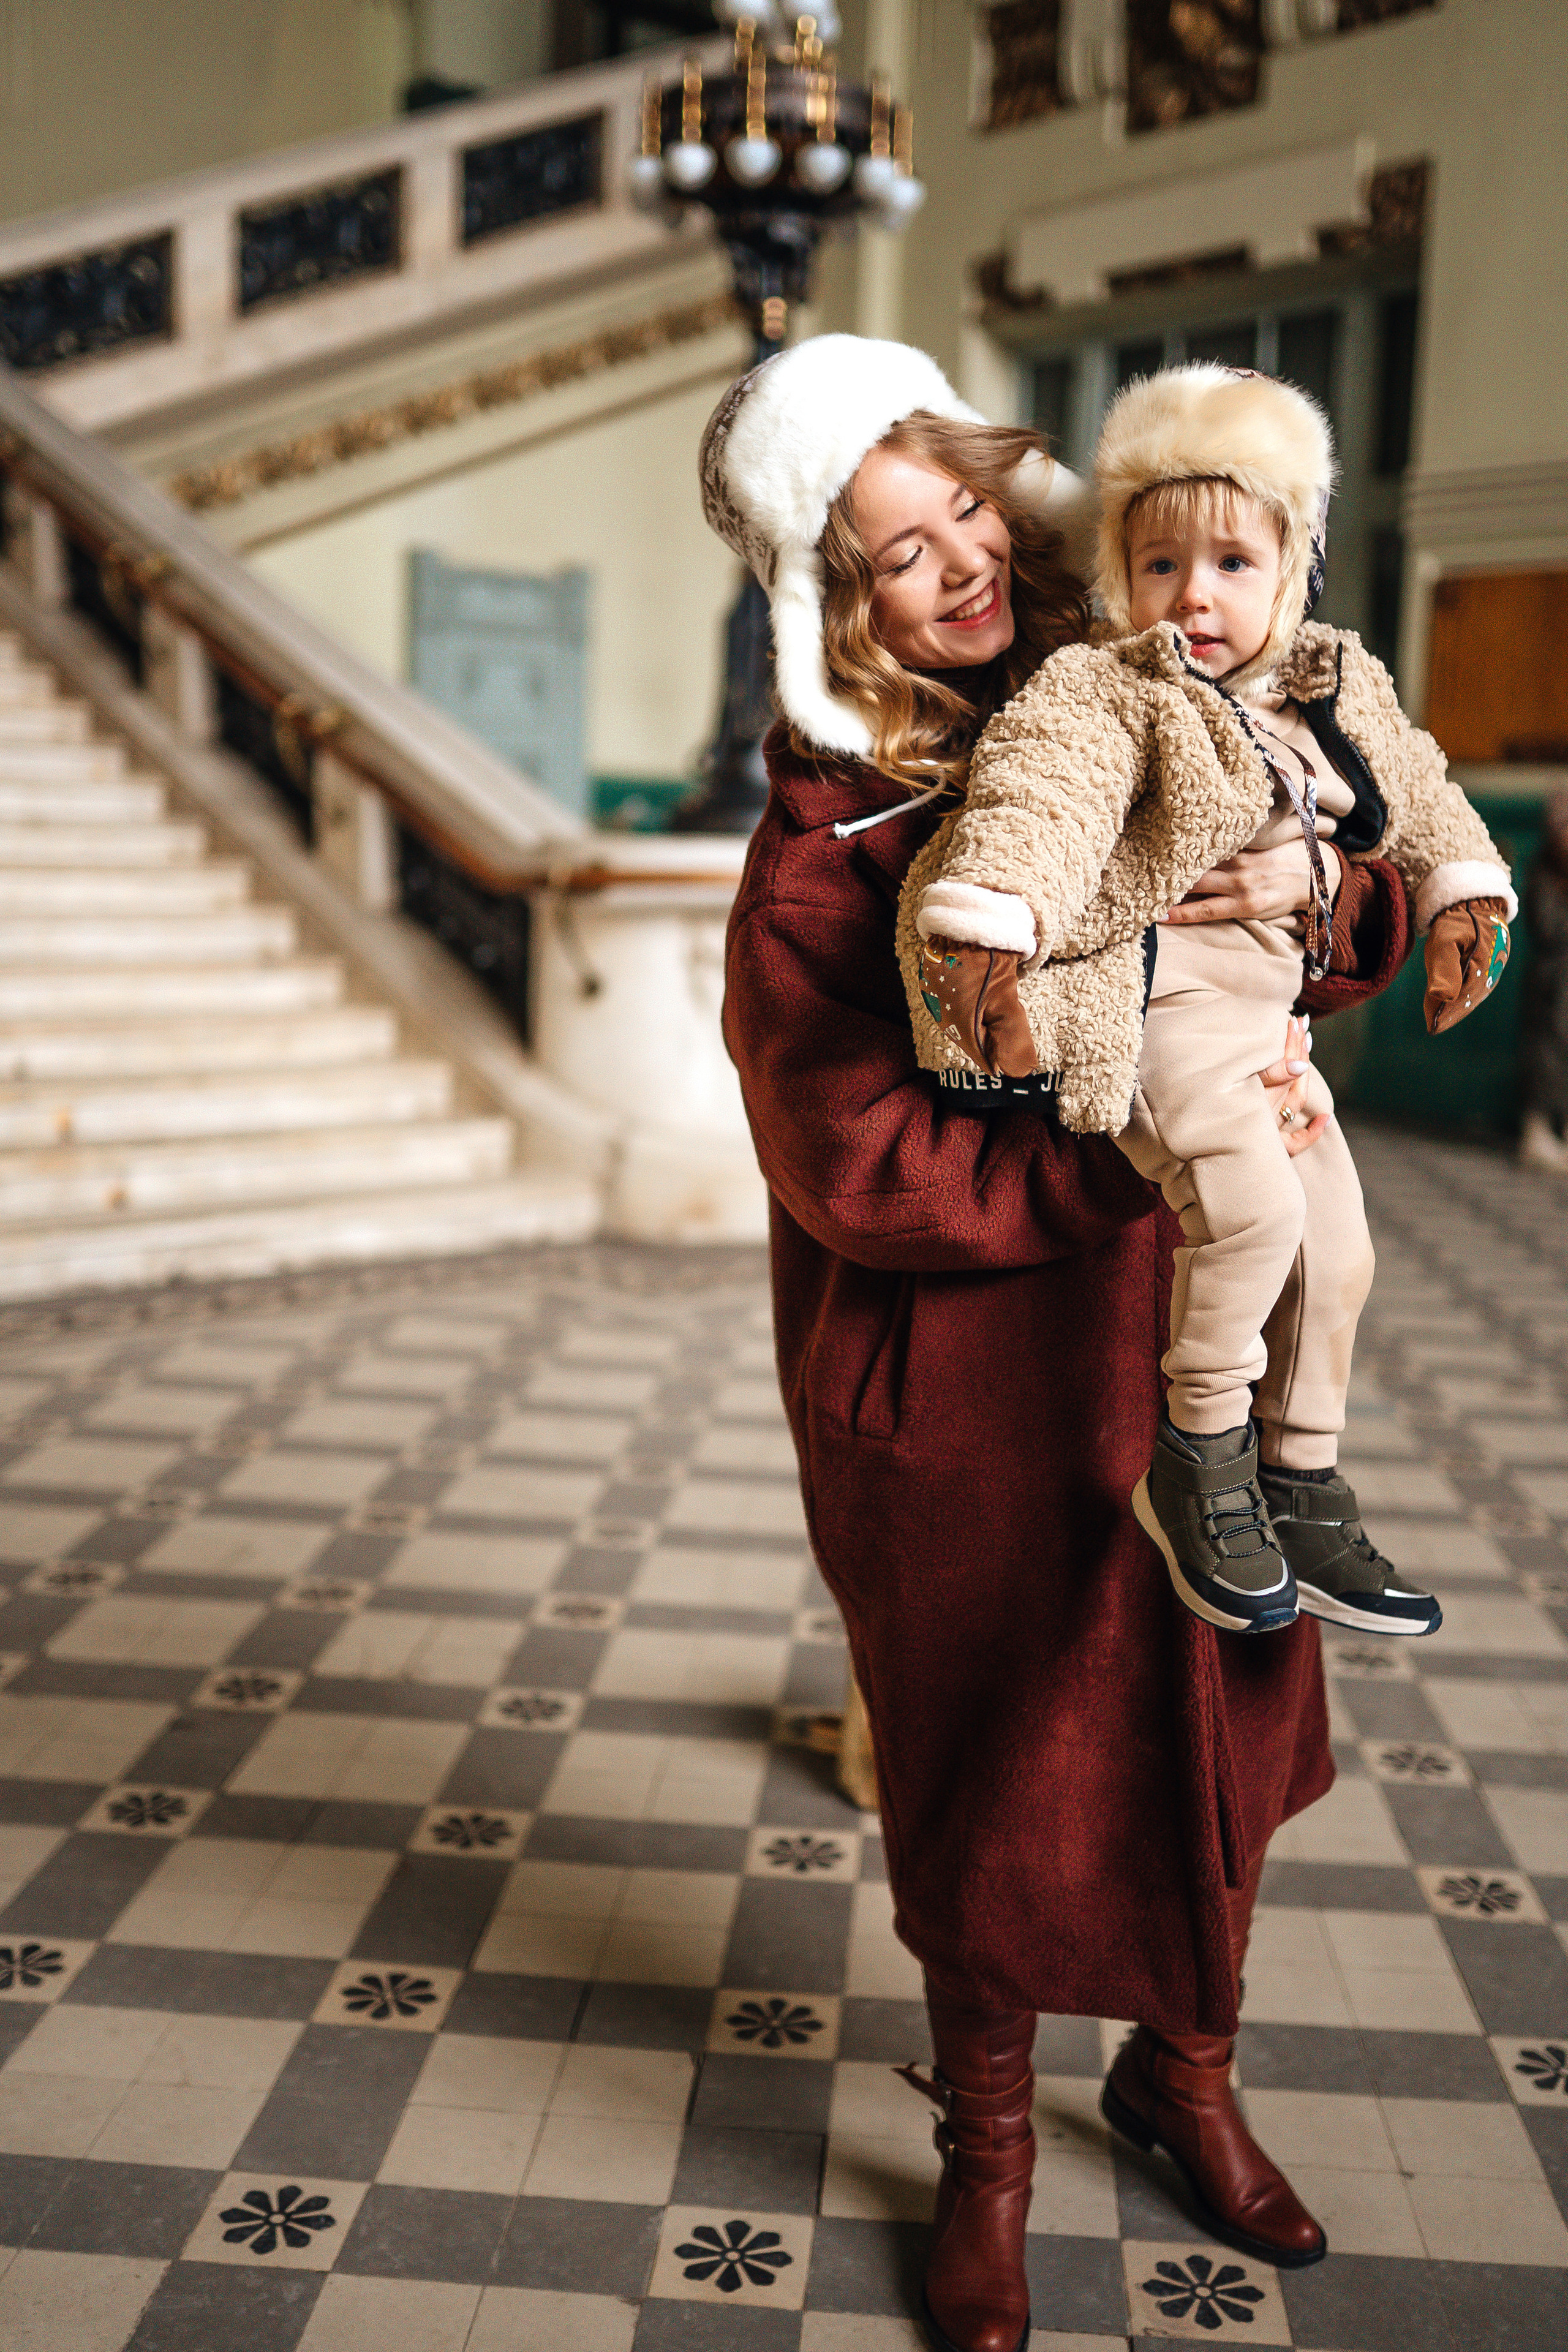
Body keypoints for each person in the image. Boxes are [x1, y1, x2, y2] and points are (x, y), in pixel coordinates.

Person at [706, 335, 1415, 2352]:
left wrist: (1325, 894)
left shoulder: (1155, 684)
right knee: (1000, 1768)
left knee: (1219, 1721)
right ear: (824, 602)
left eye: (961, 512)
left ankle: (1185, 2080)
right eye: (890, 555)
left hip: (1195, 1354)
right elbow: (855, 1162)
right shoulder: (822, 842)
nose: (955, 573)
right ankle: (990, 2153)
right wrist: (1124, 1169)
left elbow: (1312, 914)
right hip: (973, 1400)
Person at [903, 365, 1513, 1643]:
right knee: (1248, 1216)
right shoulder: (1104, 689)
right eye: (1160, 563)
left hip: (1271, 1038)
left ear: (1292, 568)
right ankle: (1196, 1456)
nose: (1195, 596)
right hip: (1163, 1017)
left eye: (1233, 564)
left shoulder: (1328, 690)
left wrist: (1457, 891)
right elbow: (1040, 802)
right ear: (1119, 573)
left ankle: (1297, 1474)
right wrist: (991, 924)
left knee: (1334, 1250)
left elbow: (1418, 789)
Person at [1519, 783, 1568, 1173]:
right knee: (1547, 1053)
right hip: (1551, 982)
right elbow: (1547, 928)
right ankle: (1537, 1130)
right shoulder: (1544, 871)